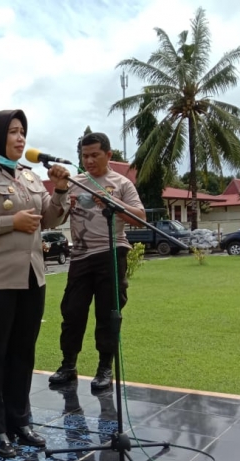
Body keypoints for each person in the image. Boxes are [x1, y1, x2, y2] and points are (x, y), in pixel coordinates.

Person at [0, 109, 72, 457]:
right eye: (14, 132)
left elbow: (47, 217)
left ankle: (20, 421)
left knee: (23, 354)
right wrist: (9, 223)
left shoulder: (30, 177)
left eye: (23, 132)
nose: (21, 138)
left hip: (31, 277)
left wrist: (60, 190)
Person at [48, 132, 145, 391]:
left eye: (94, 155)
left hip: (111, 254)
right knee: (72, 313)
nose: (88, 161)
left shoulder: (121, 183)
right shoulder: (74, 182)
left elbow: (140, 217)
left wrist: (114, 202)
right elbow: (54, 218)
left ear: (109, 155)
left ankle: (105, 369)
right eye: (84, 155)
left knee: (108, 314)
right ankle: (68, 365)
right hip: (80, 256)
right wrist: (59, 190)